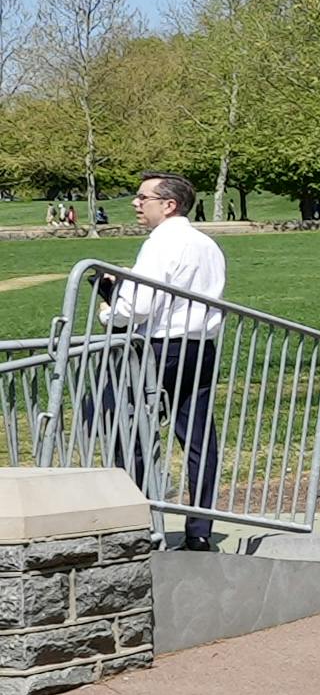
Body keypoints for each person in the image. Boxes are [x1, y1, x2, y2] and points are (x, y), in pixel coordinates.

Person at [106, 172, 227, 549]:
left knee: (125, 427)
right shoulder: (207, 244)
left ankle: (138, 523)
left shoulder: (160, 243)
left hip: (160, 347)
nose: (136, 203)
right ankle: (200, 529)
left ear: (169, 205)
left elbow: (138, 306)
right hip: (200, 346)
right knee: (199, 438)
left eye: (143, 198)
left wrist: (109, 308)